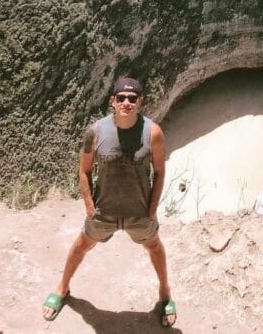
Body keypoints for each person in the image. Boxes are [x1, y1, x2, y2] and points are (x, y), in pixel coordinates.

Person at [42, 76, 177, 327]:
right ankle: (62, 288)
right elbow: (83, 170)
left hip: (139, 212)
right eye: (121, 98)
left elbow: (159, 172)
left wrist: (152, 209)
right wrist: (89, 207)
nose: (127, 102)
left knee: (155, 247)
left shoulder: (153, 132)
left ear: (140, 102)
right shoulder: (94, 132)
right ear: (112, 101)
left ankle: (165, 293)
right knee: (81, 245)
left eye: (132, 98)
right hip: (104, 211)